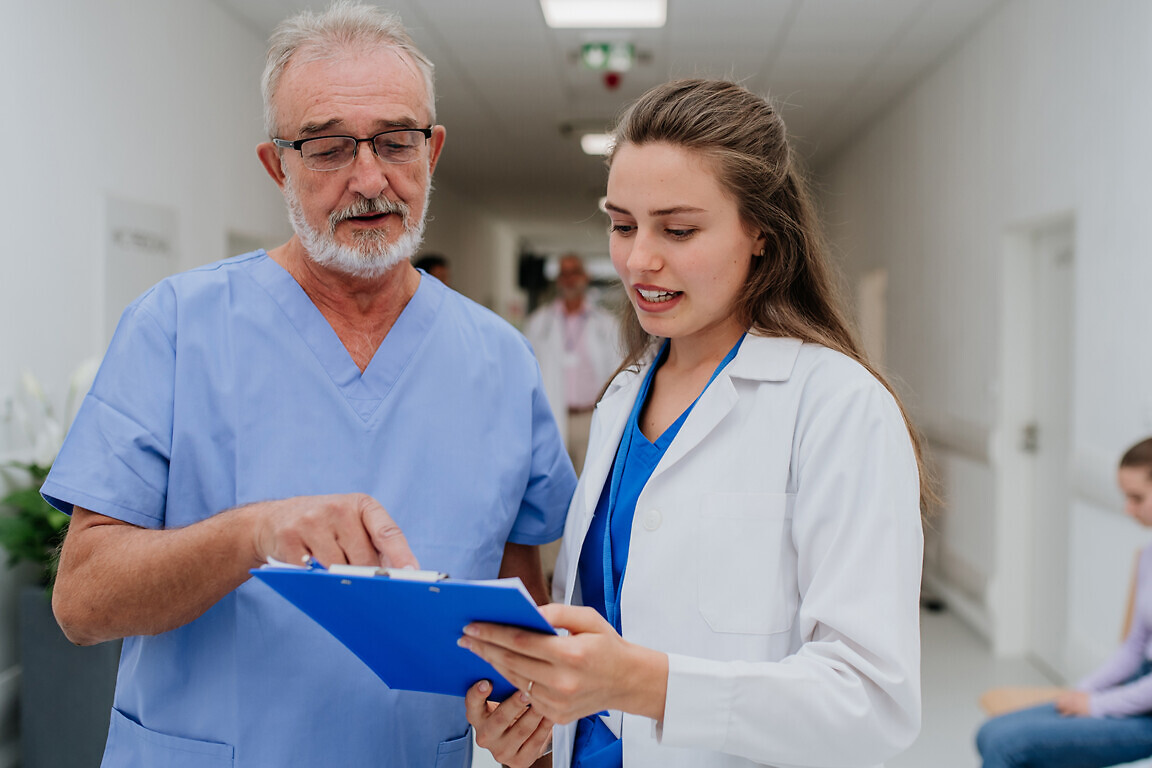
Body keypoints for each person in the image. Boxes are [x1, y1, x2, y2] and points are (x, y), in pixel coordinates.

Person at [42, 3, 575, 766]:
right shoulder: (175, 328)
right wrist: (253, 535)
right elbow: (82, 603)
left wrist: (529, 714)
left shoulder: (501, 362)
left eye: (396, 142)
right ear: (276, 165)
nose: (369, 178)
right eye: (327, 148)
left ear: (434, 152)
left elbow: (521, 609)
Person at [459, 78, 927, 767]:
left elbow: (872, 704)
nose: (639, 259)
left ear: (761, 233)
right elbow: (595, 645)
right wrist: (534, 734)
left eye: (678, 230)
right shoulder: (624, 395)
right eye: (622, 225)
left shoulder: (836, 406)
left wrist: (642, 683)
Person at [975, 437, 1152, 768]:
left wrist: (1097, 706)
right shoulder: (1148, 557)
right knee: (989, 733)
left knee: (1006, 746)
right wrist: (1081, 692)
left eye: (1136, 498)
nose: (1127, 509)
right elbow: (1133, 648)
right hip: (1137, 687)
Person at [524, 253, 621, 473]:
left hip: (591, 418)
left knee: (591, 483)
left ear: (586, 277)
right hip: (553, 417)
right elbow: (528, 375)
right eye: (564, 274)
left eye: (575, 272)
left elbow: (619, 372)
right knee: (556, 483)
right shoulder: (539, 323)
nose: (570, 279)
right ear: (558, 280)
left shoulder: (605, 324)